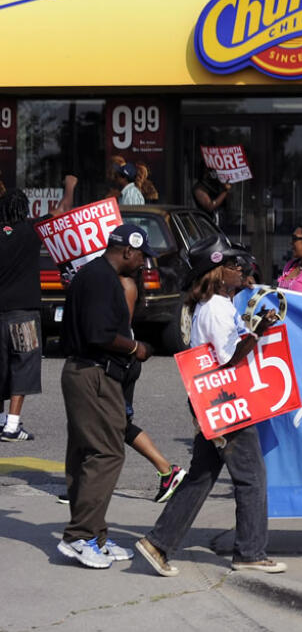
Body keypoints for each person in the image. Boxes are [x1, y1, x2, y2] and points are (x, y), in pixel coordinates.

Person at [136, 236, 286, 577]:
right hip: (225, 402)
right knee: (251, 477)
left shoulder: (214, 305)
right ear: (217, 274)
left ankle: (157, 543)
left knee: (202, 477)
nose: (241, 271)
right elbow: (229, 359)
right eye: (233, 266)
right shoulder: (217, 309)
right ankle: (249, 552)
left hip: (210, 403)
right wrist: (257, 333)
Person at [56, 224, 157, 569]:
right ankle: (80, 536)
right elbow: (100, 334)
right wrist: (137, 347)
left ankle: (94, 533)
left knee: (87, 452)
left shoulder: (95, 274)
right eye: (142, 255)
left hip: (87, 372)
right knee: (106, 452)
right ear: (127, 250)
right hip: (93, 373)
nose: (144, 264)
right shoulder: (101, 278)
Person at [118, 271, 186, 502]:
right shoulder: (112, 280)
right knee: (112, 424)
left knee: (105, 423)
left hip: (120, 361)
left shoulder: (125, 283)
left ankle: (168, 470)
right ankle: (168, 471)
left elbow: (118, 328)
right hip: (118, 359)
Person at [1, 190, 41, 442]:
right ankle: (12, 426)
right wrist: (70, 185)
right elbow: (61, 210)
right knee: (24, 365)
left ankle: (1, 421)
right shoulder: (32, 231)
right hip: (24, 314)